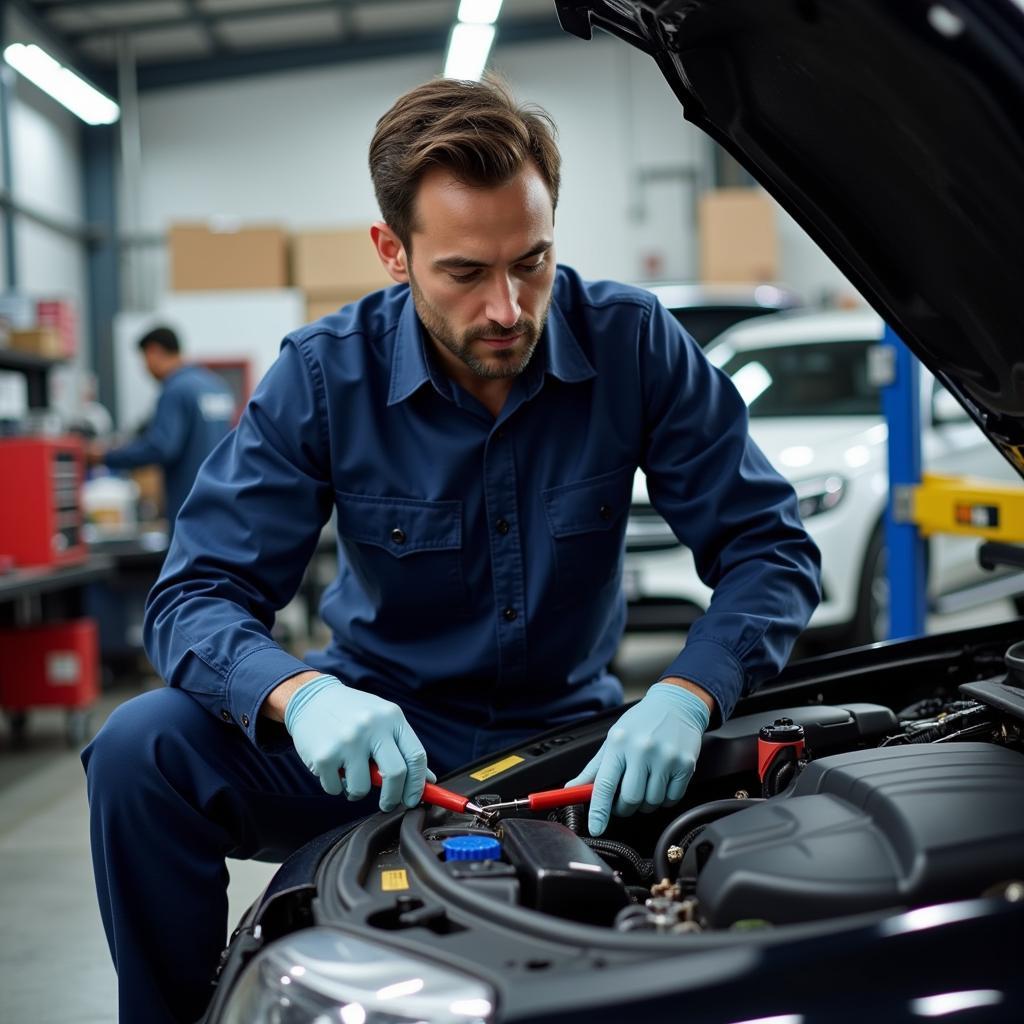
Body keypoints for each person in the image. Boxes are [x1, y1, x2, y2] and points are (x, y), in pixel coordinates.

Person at [82, 77, 821, 1024]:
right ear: (394, 252)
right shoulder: (322, 373)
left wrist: (687, 694)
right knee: (141, 750)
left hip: (577, 754)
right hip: (374, 748)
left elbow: (769, 545)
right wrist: (299, 696)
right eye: (466, 273)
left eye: (534, 261)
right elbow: (193, 595)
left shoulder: (635, 344)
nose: (508, 307)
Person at [88, 326, 235, 529]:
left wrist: (105, 456)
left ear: (154, 351)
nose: (145, 368)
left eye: (144, 359)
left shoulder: (175, 389)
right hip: (223, 505)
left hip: (189, 507)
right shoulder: (217, 386)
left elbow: (161, 446)